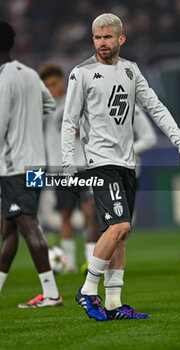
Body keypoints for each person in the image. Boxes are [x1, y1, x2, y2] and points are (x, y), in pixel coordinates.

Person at [62, 13, 180, 321]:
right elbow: (69, 122)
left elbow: (156, 109)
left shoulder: (131, 72)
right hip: (99, 162)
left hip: (126, 163)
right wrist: (68, 166)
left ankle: (114, 304)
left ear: (121, 39)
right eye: (97, 37)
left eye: (107, 37)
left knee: (119, 233)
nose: (101, 43)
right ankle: (87, 290)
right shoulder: (81, 73)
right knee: (119, 226)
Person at [0, 21, 63, 308]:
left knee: (28, 225)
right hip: (36, 164)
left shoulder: (2, 79)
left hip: (14, 165)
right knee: (10, 228)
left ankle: (51, 294)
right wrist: (28, 124)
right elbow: (49, 105)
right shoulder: (28, 73)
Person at [39, 63, 100, 272]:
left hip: (82, 165)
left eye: (54, 84)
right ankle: (69, 264)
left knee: (89, 210)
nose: (51, 89)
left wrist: (81, 129)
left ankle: (91, 261)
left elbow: (92, 125)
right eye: (47, 86)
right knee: (65, 214)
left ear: (62, 81)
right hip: (59, 169)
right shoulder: (43, 107)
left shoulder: (76, 98)